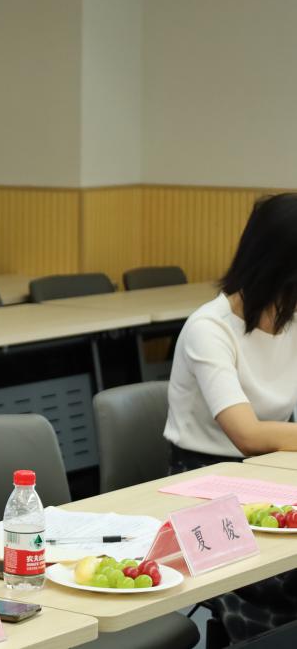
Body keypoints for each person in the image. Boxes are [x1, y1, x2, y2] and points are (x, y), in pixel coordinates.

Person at [164, 192, 297, 642]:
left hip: (270, 473)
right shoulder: (210, 327)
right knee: (282, 574)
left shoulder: (292, 318)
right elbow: (247, 434)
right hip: (202, 483)